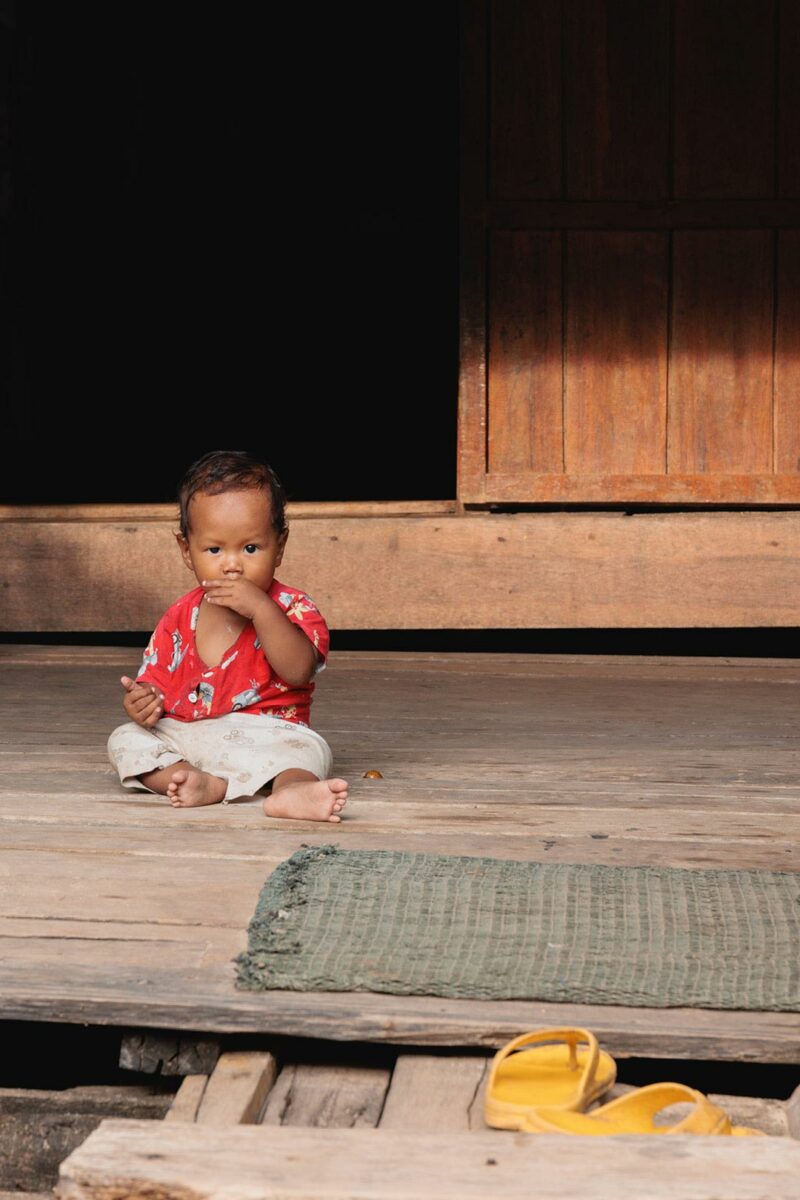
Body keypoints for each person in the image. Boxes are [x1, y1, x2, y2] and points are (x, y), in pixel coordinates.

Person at [107, 451, 348, 822]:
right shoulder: (178, 615)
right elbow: (154, 683)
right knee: (125, 739)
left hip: (268, 736)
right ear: (187, 551)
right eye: (214, 549)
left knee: (306, 751)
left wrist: (262, 610)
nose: (232, 564)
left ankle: (291, 792)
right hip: (189, 737)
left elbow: (299, 670)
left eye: (251, 548)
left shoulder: (293, 607)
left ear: (279, 546)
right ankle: (198, 782)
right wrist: (143, 703)